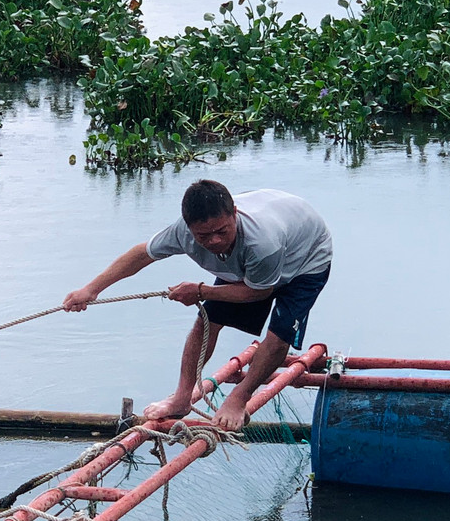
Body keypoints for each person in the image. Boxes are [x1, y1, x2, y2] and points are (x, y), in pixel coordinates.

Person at [63, 180, 332, 431]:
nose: (214, 241)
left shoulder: (263, 243)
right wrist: (91, 289)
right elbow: (142, 255)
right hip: (252, 260)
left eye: (221, 231)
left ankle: (239, 398)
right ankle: (181, 398)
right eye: (204, 236)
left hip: (305, 260)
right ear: (189, 228)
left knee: (279, 333)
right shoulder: (183, 232)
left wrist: (202, 291)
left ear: (234, 214)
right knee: (207, 321)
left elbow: (259, 293)